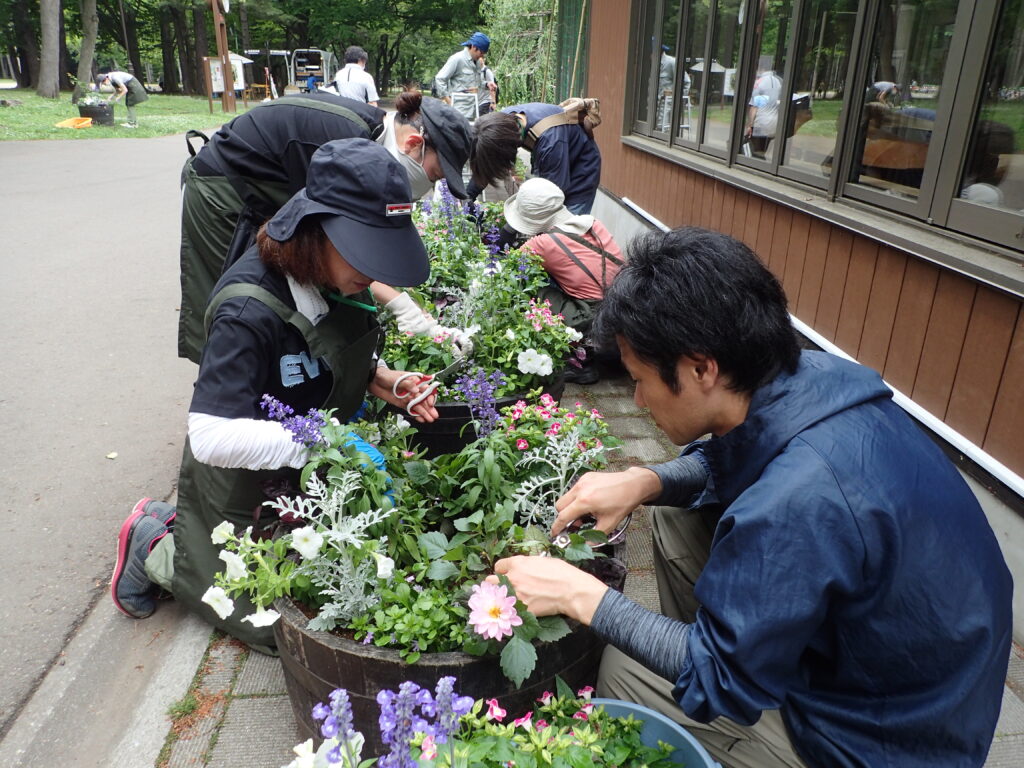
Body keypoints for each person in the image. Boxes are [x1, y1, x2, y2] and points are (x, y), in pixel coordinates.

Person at [489, 227, 1013, 768]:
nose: (639, 400)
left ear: (700, 368)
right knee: (674, 517)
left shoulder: (793, 503)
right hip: (921, 667)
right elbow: (736, 451)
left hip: (884, 740)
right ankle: (733, 642)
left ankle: (729, 678)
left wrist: (580, 595)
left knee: (624, 669)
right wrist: (648, 480)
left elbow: (717, 663)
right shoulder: (810, 372)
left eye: (641, 380)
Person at [112, 139, 441, 652]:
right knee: (275, 631)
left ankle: (174, 524)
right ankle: (153, 546)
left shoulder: (336, 281)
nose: (372, 274)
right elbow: (211, 435)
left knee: (322, 591)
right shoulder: (248, 310)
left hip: (294, 473)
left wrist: (384, 381)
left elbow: (321, 355)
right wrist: (327, 443)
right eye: (362, 252)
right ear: (314, 230)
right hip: (240, 475)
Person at [177, 90, 473, 364]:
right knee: (236, 303)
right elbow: (339, 247)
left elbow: (361, 249)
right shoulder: (341, 142)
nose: (431, 187)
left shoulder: (372, 141)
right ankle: (225, 393)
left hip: (272, 192)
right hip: (223, 190)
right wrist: (399, 303)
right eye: (434, 176)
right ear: (414, 144)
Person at [501, 177, 623, 384]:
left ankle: (580, 363)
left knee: (525, 286)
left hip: (592, 316)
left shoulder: (542, 244)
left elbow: (509, 271)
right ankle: (600, 348)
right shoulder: (592, 223)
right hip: (623, 307)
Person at [472, 101, 602, 214]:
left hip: (582, 171)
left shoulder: (550, 142)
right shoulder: (503, 123)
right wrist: (470, 194)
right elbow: (489, 159)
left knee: (564, 231)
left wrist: (511, 228)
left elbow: (552, 197)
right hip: (555, 157)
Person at [434, 31, 489, 120]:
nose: (482, 56)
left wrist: (487, 84)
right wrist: (448, 100)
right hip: (458, 111)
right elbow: (440, 78)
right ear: (474, 47)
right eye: (481, 52)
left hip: (473, 110)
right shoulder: (457, 59)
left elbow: (477, 82)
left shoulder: (478, 62)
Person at [744, 64, 782, 159]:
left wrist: (749, 125)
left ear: (761, 69)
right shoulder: (778, 81)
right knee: (764, 149)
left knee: (756, 152)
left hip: (761, 123)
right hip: (774, 123)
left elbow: (755, 106)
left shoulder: (760, 82)